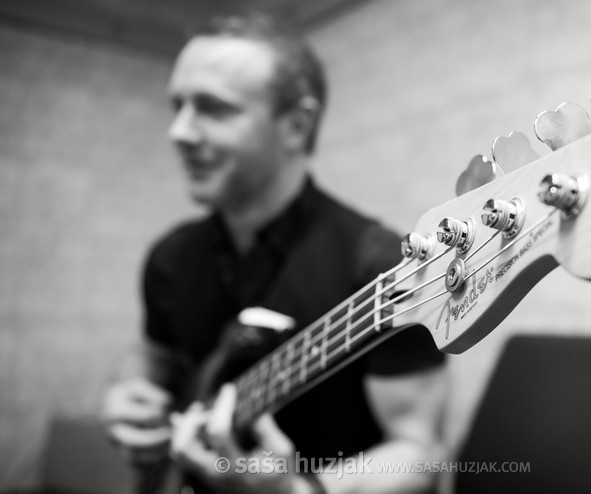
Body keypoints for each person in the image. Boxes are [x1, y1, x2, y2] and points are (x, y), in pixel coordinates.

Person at [100, 11, 447, 494]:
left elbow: (421, 453)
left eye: (212, 108)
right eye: (177, 105)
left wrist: (297, 492)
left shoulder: (384, 265)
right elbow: (153, 355)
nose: (177, 131)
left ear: (296, 126)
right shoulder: (169, 256)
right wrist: (128, 392)